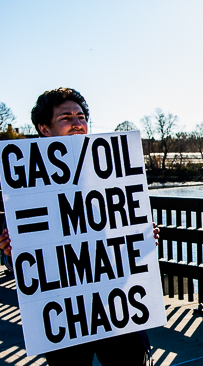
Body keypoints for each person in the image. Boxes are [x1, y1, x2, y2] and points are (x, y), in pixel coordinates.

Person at [0, 87, 157, 366]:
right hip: (65, 316)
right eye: (65, 117)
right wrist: (13, 254)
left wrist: (143, 240)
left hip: (116, 307)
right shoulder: (26, 184)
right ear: (44, 129)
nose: (77, 123)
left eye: (81, 116)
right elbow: (22, 268)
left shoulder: (110, 172)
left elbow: (124, 244)